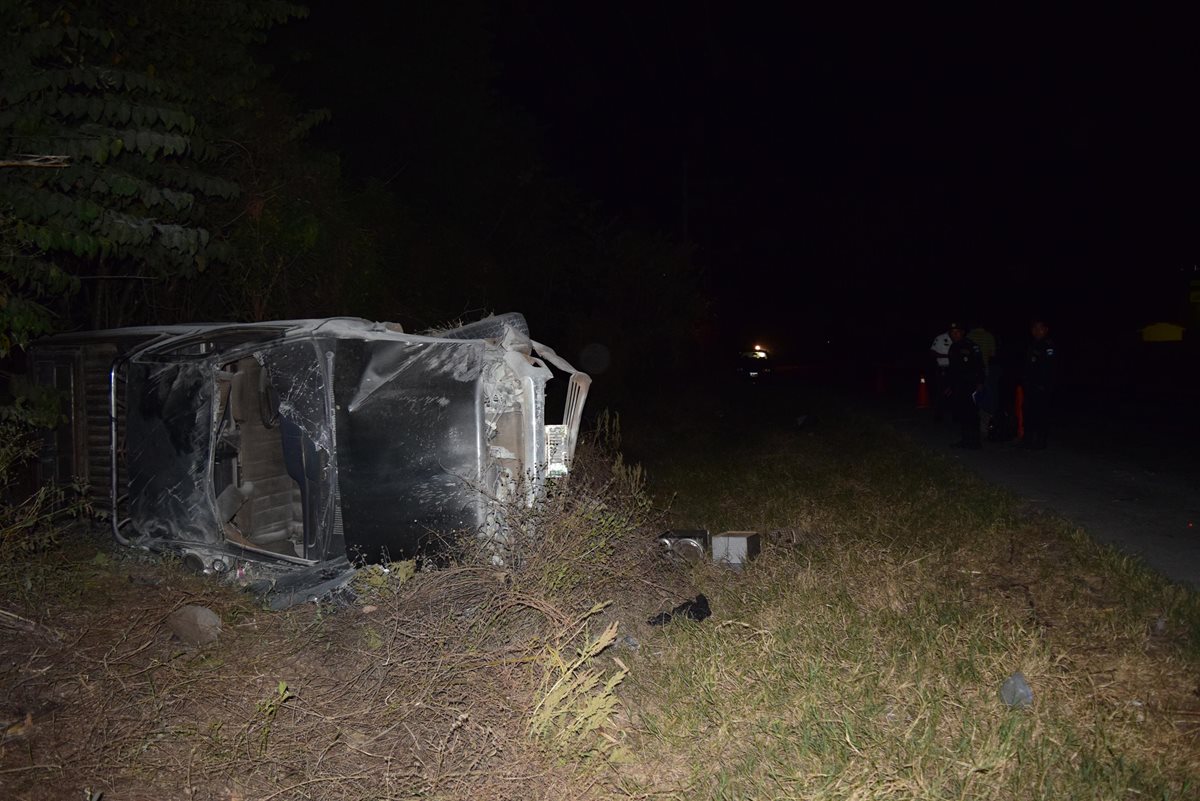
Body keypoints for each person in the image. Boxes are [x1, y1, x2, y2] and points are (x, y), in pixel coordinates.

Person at [946, 322, 984, 448]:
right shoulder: (953, 347)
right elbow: (952, 369)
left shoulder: (971, 346)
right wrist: (950, 385)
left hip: (971, 384)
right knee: (962, 412)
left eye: (957, 332)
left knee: (972, 412)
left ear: (962, 332)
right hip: (959, 385)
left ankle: (975, 441)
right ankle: (965, 439)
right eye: (952, 333)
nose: (954, 335)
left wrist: (980, 382)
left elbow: (980, 366)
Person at [1022, 318, 1057, 449]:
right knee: (1028, 412)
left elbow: (1049, 368)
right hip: (1030, 385)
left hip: (1042, 387)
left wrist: (1044, 385)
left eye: (1040, 328)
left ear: (1046, 330)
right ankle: (1028, 440)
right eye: (1034, 328)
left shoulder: (1048, 346)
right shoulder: (1033, 345)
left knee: (1040, 414)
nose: (1037, 331)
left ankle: (1040, 442)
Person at [929, 328, 952, 421]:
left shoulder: (959, 338)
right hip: (943, 368)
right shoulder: (940, 338)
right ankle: (938, 416)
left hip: (956, 369)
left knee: (955, 391)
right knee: (941, 391)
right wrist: (947, 356)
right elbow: (932, 352)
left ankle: (955, 415)